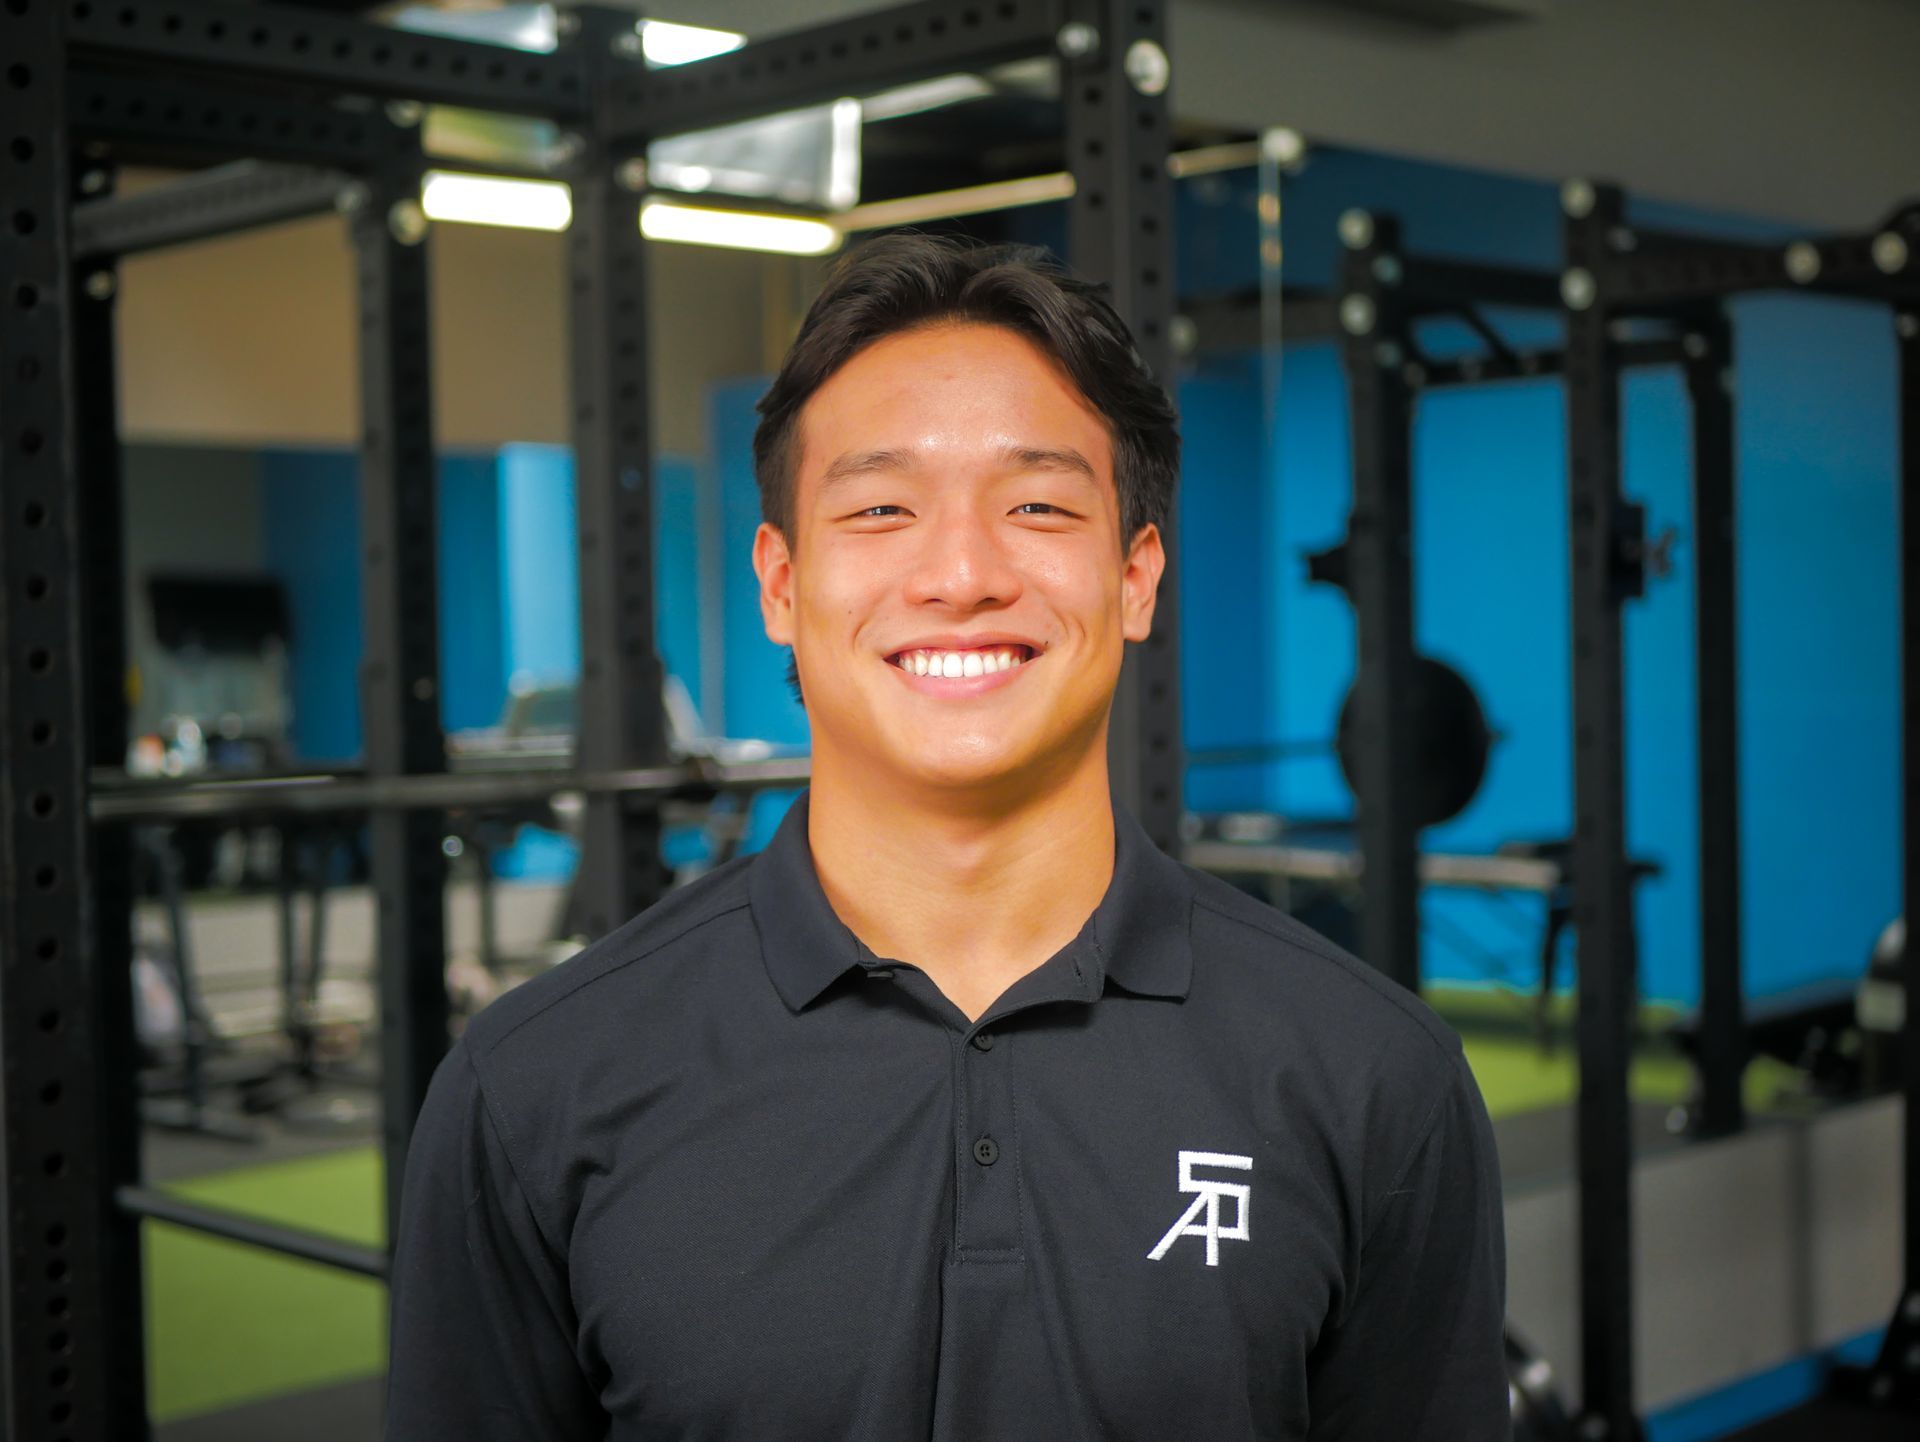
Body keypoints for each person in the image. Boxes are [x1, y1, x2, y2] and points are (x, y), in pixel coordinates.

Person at [385, 232, 1509, 1440]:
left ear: (1135, 577)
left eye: (1035, 503)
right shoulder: (535, 1087)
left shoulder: (1375, 1076)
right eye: (880, 506)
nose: (962, 571)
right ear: (780, 583)